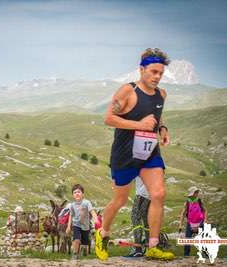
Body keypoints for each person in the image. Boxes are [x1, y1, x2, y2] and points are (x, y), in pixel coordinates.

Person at [95, 48, 174, 261]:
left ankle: (153, 246)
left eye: (160, 73)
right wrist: (138, 124)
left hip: (149, 153)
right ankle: (102, 234)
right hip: (124, 155)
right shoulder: (127, 91)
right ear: (141, 70)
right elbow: (109, 118)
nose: (157, 77)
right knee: (119, 200)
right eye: (153, 72)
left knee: (158, 194)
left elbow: (158, 116)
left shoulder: (161, 95)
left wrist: (163, 129)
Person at [66, 184, 99, 260]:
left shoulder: (87, 203)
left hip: (85, 226)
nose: (77, 193)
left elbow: (92, 211)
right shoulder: (72, 205)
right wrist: (68, 226)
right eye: (75, 192)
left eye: (79, 192)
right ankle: (75, 254)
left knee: (85, 243)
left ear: (82, 194)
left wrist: (96, 219)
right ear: (73, 195)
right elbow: (71, 215)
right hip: (76, 224)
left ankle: (84, 249)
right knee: (76, 239)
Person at [125, 176, 150, 257]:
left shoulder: (138, 162)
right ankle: (149, 247)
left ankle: (138, 249)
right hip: (150, 193)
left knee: (135, 218)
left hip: (142, 193)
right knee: (146, 219)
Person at [179, 186, 207, 256]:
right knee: (187, 242)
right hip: (190, 224)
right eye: (195, 193)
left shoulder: (199, 201)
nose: (197, 194)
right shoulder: (187, 202)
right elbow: (183, 213)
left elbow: (205, 210)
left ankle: (207, 256)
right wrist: (180, 225)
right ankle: (186, 256)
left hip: (200, 223)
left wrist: (205, 221)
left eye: (197, 192)